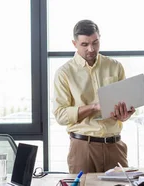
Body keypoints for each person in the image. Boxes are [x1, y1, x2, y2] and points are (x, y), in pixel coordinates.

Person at [53, 19, 135, 173]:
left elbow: (123, 110)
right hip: (83, 148)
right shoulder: (64, 73)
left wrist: (125, 114)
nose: (91, 49)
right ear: (74, 43)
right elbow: (61, 115)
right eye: (85, 44)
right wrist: (94, 107)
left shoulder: (115, 66)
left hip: (115, 147)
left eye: (95, 43)